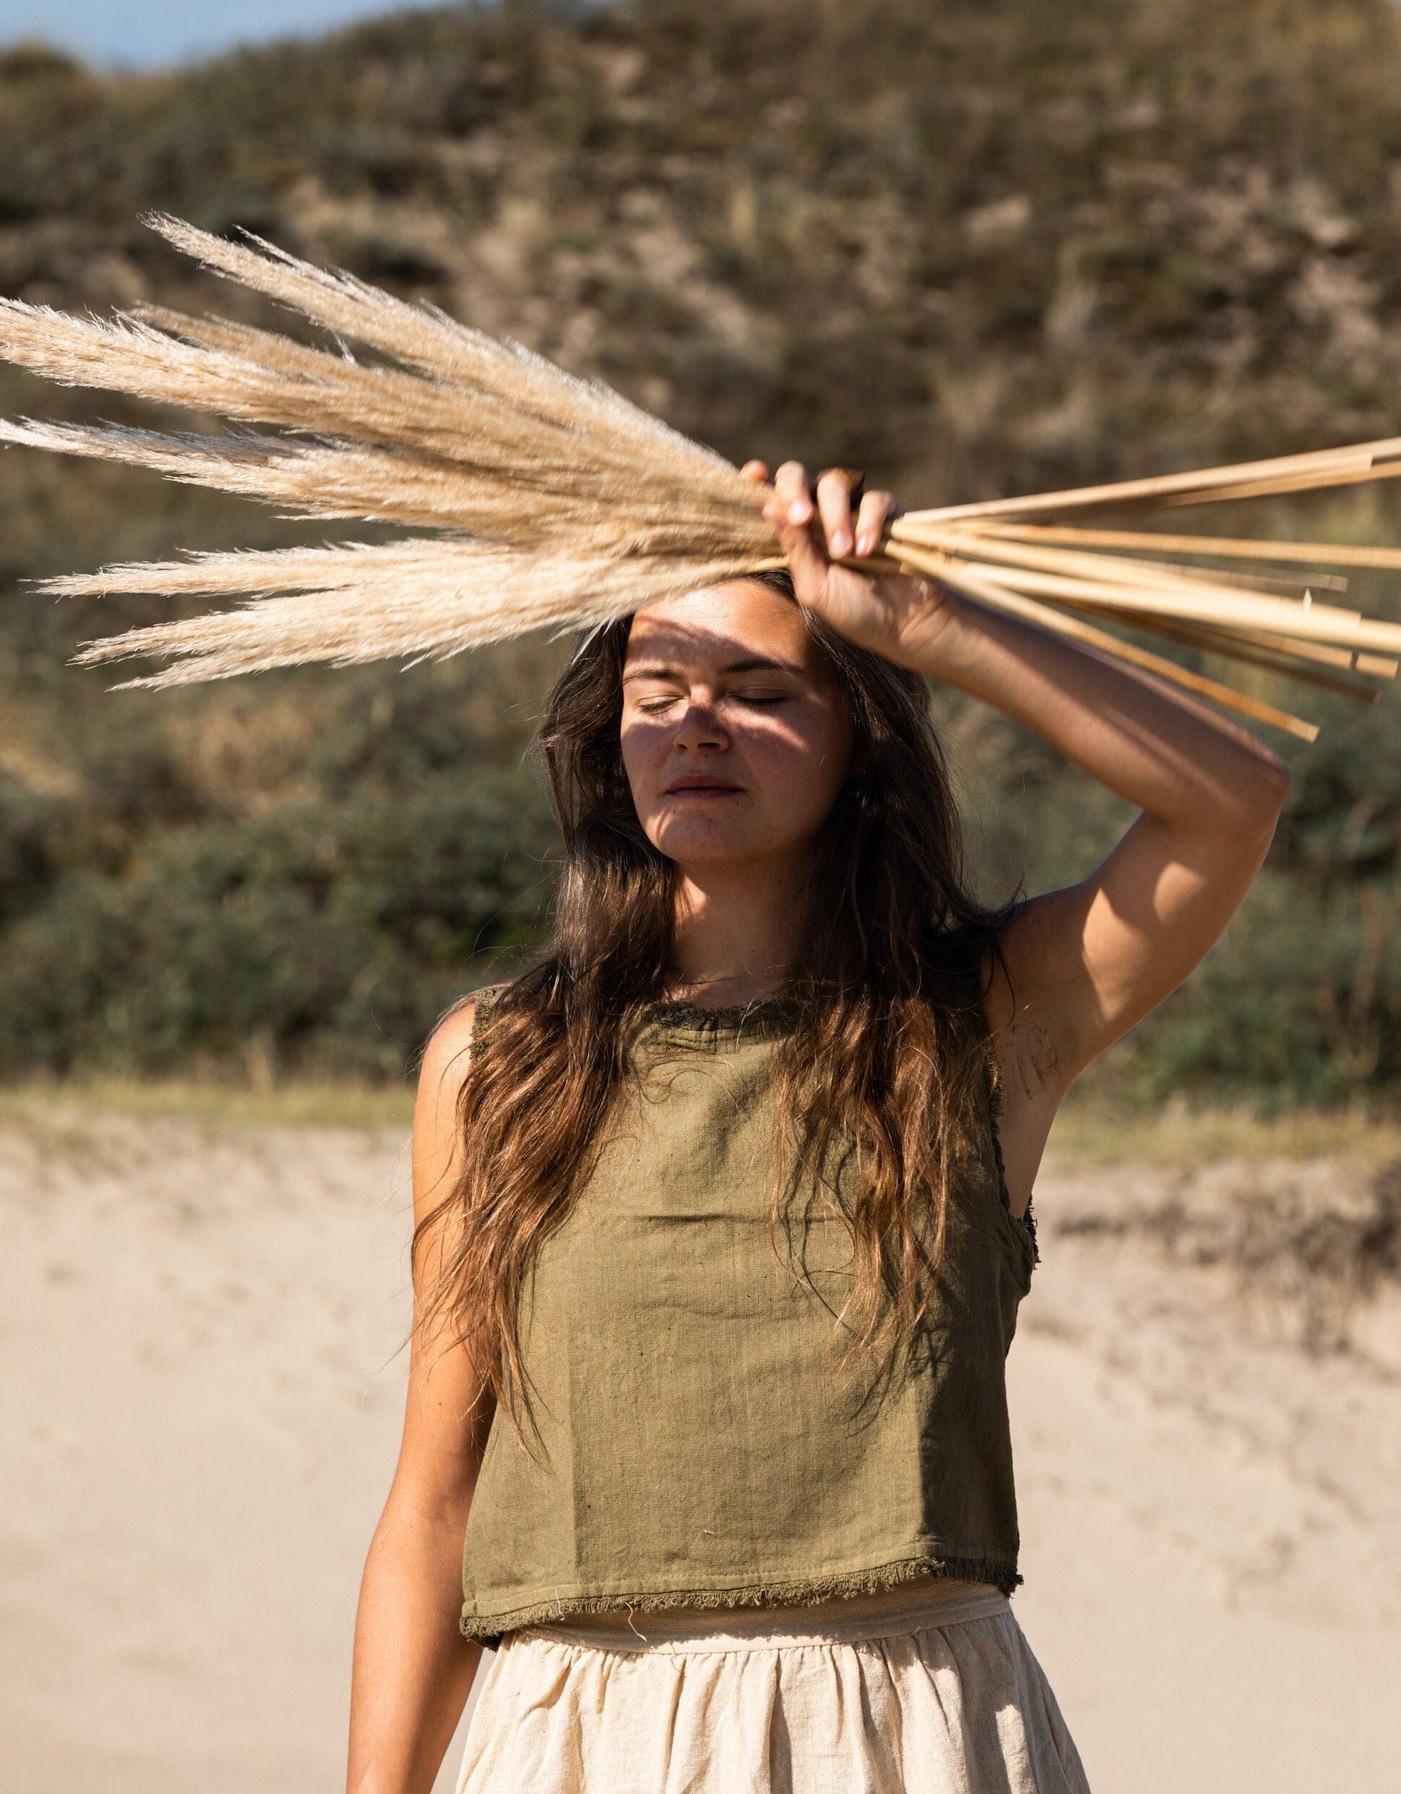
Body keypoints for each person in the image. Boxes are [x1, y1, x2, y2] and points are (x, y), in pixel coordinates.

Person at [346, 460, 1290, 1794]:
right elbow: (434, 1503)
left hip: (903, 1729)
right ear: (608, 741)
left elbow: (1229, 799)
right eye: (656, 695)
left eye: (761, 693)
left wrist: (925, 622)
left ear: (864, 740)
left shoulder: (984, 1018)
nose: (697, 727)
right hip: (578, 1727)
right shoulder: (498, 1061)